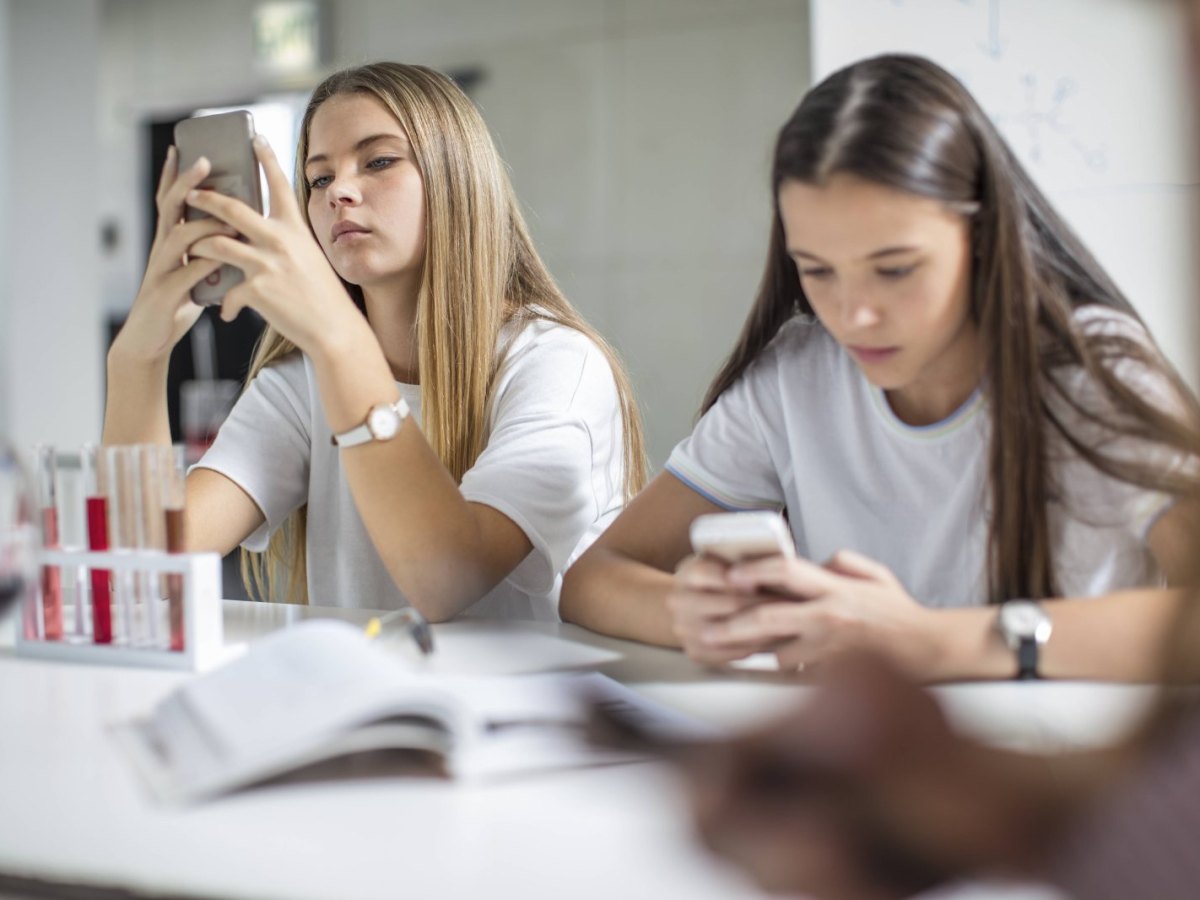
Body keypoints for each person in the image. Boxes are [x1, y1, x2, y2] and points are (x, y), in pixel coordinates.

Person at [561, 53, 1200, 682]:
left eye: (895, 269)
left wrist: (935, 641)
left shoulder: (1094, 371)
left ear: (981, 235)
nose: (853, 315)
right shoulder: (795, 376)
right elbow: (595, 578)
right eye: (816, 270)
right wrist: (691, 614)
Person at [103, 62, 646, 621]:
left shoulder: (555, 365)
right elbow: (146, 570)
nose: (339, 190)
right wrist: (136, 360)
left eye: (379, 161)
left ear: (457, 177)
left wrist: (339, 340)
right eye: (318, 178)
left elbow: (444, 581)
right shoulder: (301, 384)